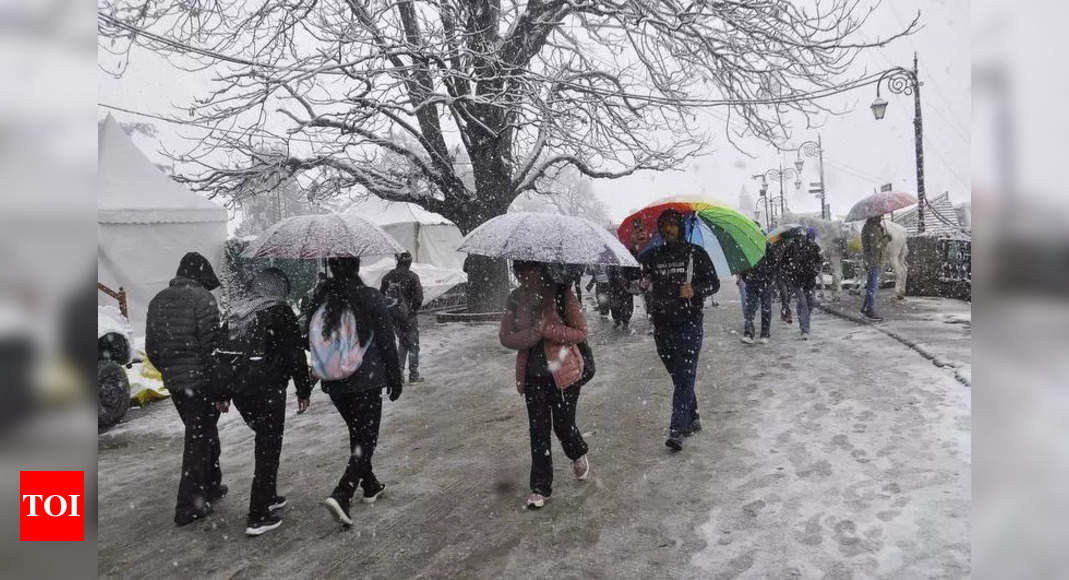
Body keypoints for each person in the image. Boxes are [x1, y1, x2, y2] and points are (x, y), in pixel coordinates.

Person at [309, 257, 403, 527]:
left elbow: (312, 338)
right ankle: (343, 492)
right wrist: (395, 378)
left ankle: (370, 484)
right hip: (366, 379)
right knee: (367, 438)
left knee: (357, 432)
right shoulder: (369, 297)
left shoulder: (322, 298)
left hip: (335, 382)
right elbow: (386, 339)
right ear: (356, 267)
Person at [222, 268, 313, 536]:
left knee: (265, 439)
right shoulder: (279, 311)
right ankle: (258, 513)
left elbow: (223, 355)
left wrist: (221, 393)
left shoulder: (237, 313)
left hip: (242, 392)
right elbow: (295, 353)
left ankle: (269, 495)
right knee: (268, 446)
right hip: (268, 389)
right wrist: (303, 390)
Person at [499, 260, 591, 510]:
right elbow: (505, 337)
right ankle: (540, 486)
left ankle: (577, 450)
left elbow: (580, 332)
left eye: (528, 269)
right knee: (538, 431)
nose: (523, 276)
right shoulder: (516, 299)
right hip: (533, 377)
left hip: (565, 375)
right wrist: (531, 335)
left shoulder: (561, 292)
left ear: (540, 268)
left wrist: (549, 330)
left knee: (563, 425)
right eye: (518, 271)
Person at [145, 252, 226, 526]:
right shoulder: (203, 299)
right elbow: (211, 348)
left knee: (203, 432)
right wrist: (218, 387)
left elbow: (151, 349)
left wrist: (170, 370)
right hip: (200, 381)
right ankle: (188, 505)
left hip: (176, 383)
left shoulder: (158, 301)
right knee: (198, 439)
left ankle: (212, 485)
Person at [639, 209, 719, 451]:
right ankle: (693, 417)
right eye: (665, 225)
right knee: (677, 375)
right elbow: (633, 280)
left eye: (673, 224)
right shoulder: (651, 256)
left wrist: (695, 289)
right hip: (662, 325)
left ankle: (677, 428)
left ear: (681, 227)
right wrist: (636, 250)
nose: (669, 229)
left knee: (685, 374)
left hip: (689, 322)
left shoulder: (696, 254)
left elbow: (713, 283)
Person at [380, 251, 425, 383]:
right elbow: (418, 298)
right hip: (409, 316)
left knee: (402, 344)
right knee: (413, 345)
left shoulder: (388, 277)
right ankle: (414, 374)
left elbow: (381, 296)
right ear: (409, 263)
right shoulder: (412, 277)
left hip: (394, 317)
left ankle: (399, 375)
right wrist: (412, 311)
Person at [780, 229, 823, 340]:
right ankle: (805, 329)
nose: (800, 238)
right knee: (803, 302)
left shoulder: (813, 247)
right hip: (796, 280)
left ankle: (803, 320)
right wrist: (790, 272)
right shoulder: (790, 248)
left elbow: (819, 261)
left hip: (809, 279)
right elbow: (783, 263)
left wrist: (815, 269)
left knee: (809, 302)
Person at [740, 242, 776, 345]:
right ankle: (749, 333)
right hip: (751, 282)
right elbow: (742, 264)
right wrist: (746, 277)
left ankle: (764, 334)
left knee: (765, 308)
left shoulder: (767, 246)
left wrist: (768, 278)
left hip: (764, 282)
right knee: (750, 308)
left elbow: (773, 264)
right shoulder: (746, 246)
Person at [861, 216, 890, 321]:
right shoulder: (871, 229)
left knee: (871, 286)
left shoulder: (871, 227)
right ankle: (869, 310)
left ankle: (865, 308)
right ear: (875, 217)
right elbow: (875, 247)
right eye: (880, 216)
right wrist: (885, 240)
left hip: (872, 261)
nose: (881, 218)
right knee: (872, 287)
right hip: (873, 262)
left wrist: (882, 234)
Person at [607, 264, 639, 329]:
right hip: (615, 289)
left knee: (626, 306)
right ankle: (617, 320)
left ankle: (625, 321)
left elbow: (633, 275)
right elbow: (609, 276)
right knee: (615, 306)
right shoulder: (611, 264)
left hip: (625, 289)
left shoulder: (627, 264)